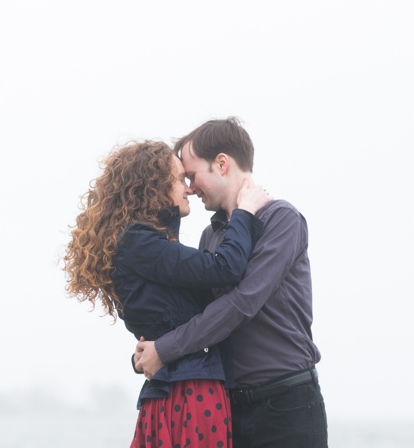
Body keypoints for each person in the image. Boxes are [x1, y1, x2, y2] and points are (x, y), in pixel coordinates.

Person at [133, 118, 328, 448]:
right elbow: (195, 314)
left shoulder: (281, 219)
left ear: (221, 164)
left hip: (286, 403)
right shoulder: (212, 236)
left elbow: (242, 303)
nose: (191, 188)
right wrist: (145, 350)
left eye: (193, 176)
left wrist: (163, 351)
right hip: (230, 407)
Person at [63, 139, 271, 448]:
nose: (188, 188)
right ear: (153, 186)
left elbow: (162, 321)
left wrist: (145, 356)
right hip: (190, 392)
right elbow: (225, 267)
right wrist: (245, 212)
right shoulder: (141, 241)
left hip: (174, 390)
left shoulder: (145, 243)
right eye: (179, 179)